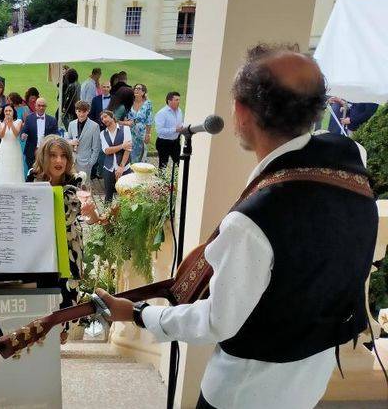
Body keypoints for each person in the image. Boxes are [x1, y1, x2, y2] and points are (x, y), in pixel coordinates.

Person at [95, 44, 378, 409]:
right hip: (312, 378)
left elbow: (218, 321)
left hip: (244, 393)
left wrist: (137, 313)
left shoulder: (253, 222)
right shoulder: (350, 157)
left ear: (242, 112)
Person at [25, 135, 86, 343]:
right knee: (40, 298)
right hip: (40, 248)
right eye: (53, 156)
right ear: (44, 157)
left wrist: (93, 213)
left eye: (63, 156)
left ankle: (60, 337)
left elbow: (81, 216)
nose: (59, 161)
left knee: (66, 299)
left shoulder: (76, 182)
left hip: (69, 248)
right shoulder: (32, 180)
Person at [99, 110, 132, 204]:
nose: (104, 119)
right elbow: (107, 151)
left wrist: (121, 166)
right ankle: (106, 216)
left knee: (126, 195)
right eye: (102, 119)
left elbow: (128, 149)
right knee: (108, 196)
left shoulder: (125, 129)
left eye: (105, 116)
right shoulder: (102, 134)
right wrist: (122, 146)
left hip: (124, 167)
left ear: (112, 116)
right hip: (108, 168)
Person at [65, 101, 102, 178]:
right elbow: (68, 139)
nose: (81, 114)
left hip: (86, 162)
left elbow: (96, 147)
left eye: (84, 112)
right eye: (79, 111)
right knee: (72, 184)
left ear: (88, 111)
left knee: (84, 186)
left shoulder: (95, 126)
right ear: (76, 111)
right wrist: (71, 142)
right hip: (72, 161)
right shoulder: (71, 124)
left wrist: (91, 163)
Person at [20, 98, 58, 169]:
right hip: (31, 152)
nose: (41, 108)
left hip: (46, 151)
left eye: (43, 106)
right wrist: (23, 136)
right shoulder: (29, 118)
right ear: (35, 106)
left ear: (46, 107)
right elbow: (24, 131)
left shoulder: (52, 120)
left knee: (46, 173)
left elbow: (56, 136)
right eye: (39, 105)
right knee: (32, 173)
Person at [0, 104, 25, 184]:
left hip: (14, 147)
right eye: (6, 111)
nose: (8, 112)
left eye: (10, 110)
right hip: (4, 148)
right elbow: (0, 135)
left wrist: (10, 123)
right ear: (3, 113)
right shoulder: (0, 122)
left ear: (13, 112)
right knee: (3, 167)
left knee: (15, 167)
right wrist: (5, 125)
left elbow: (16, 134)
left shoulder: (19, 121)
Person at [154, 91, 183, 170]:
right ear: (169, 101)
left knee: (179, 163)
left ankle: (179, 181)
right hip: (164, 143)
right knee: (163, 165)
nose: (178, 102)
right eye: (176, 100)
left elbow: (180, 124)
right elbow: (159, 131)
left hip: (176, 142)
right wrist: (175, 130)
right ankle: (161, 181)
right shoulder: (162, 113)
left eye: (179, 100)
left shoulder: (179, 111)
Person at [127, 83, 153, 163]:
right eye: (135, 88)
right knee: (129, 152)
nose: (136, 90)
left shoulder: (147, 104)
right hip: (129, 130)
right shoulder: (129, 102)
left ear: (143, 92)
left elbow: (149, 120)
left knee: (142, 153)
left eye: (139, 89)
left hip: (142, 131)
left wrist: (148, 134)